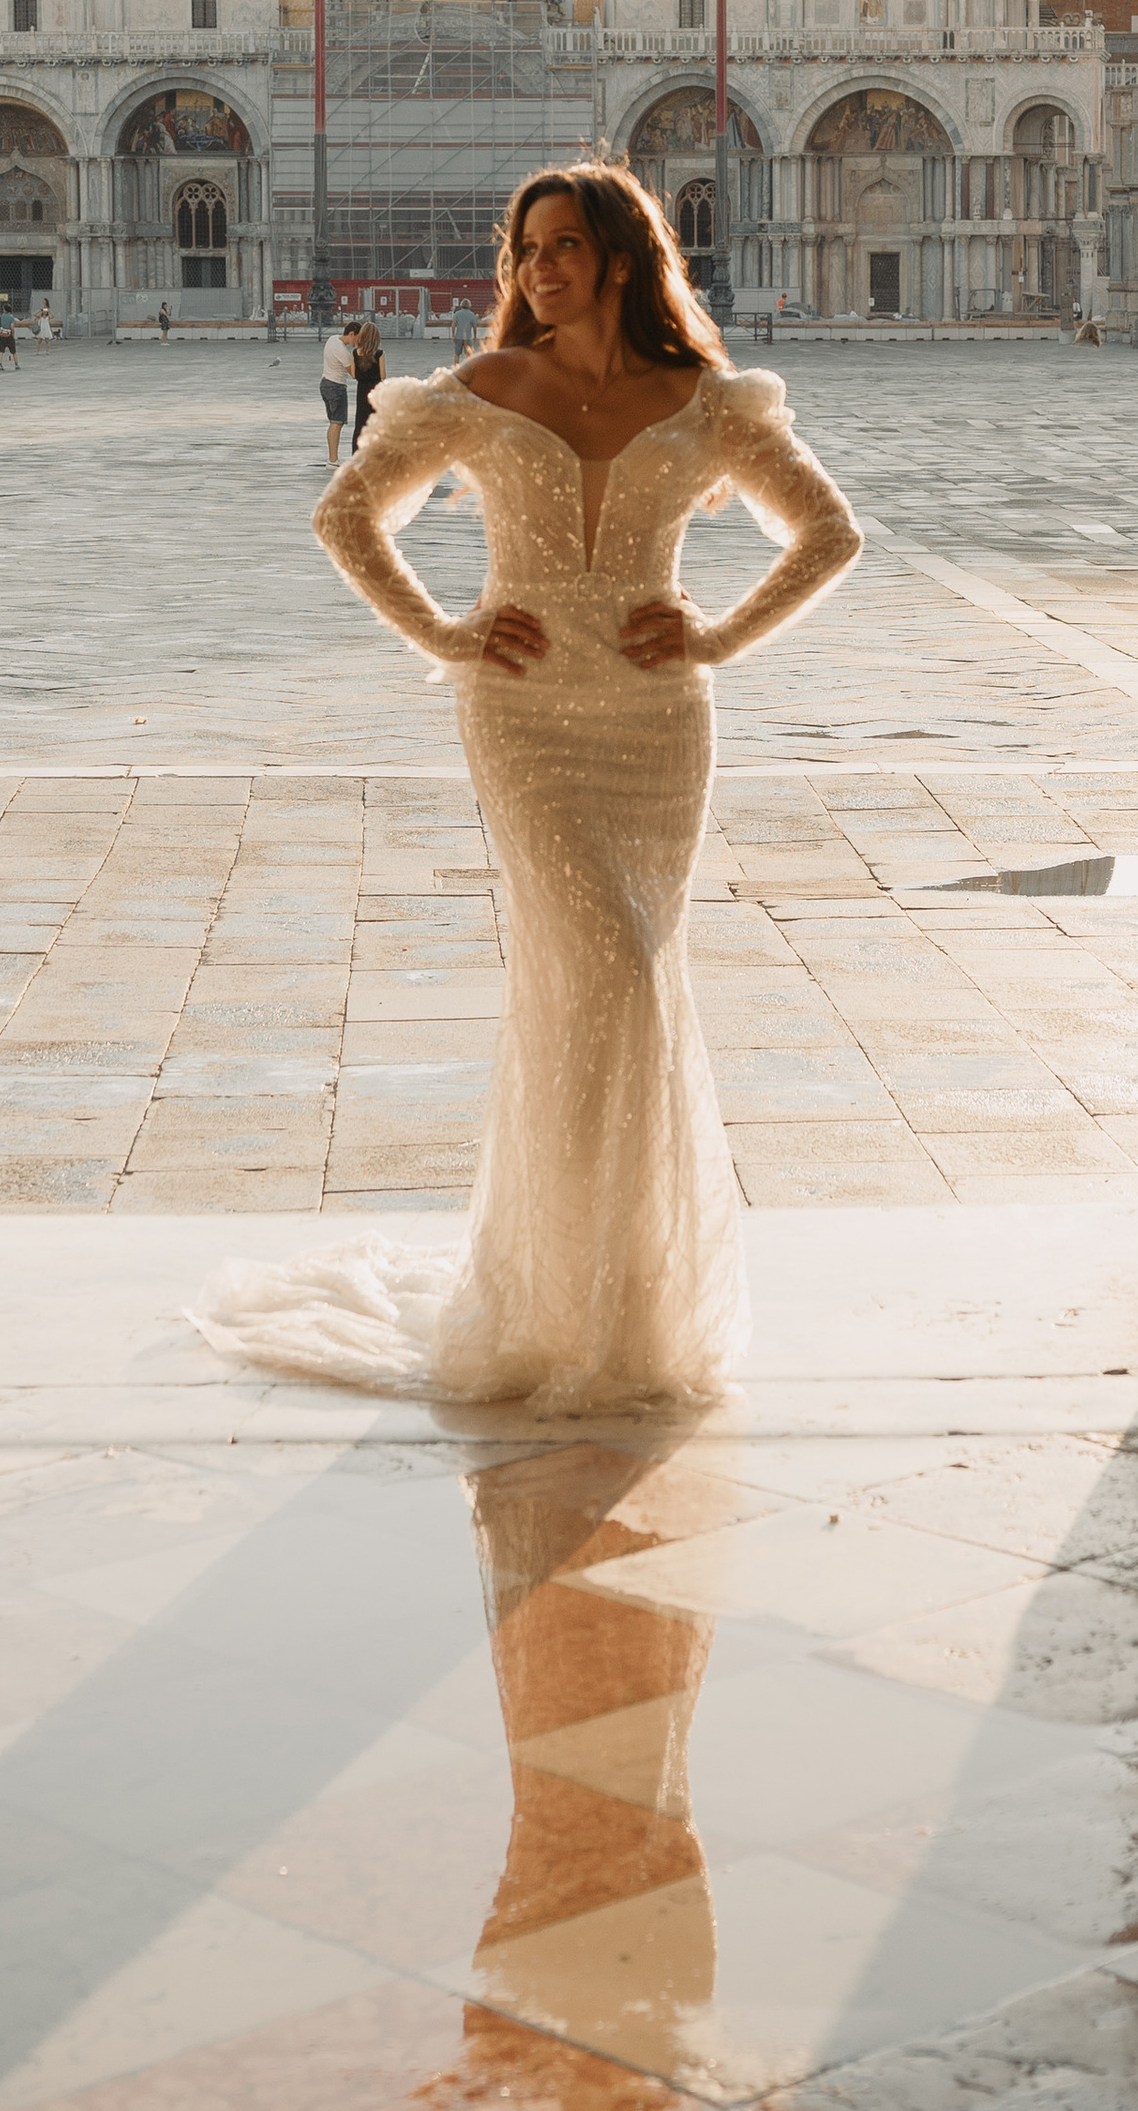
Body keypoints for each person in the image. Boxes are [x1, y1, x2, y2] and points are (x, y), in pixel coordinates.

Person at [193, 161, 861, 1414]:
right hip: (524, 711)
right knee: (599, 963)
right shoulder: (484, 390)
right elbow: (347, 516)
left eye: (558, 247)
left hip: (658, 723)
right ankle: (552, 1302)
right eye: (523, 251)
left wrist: (716, 637)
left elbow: (829, 533)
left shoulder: (704, 399)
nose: (533, 270)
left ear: (618, 256)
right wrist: (446, 633)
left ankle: (626, 1304)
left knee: (626, 988)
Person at [318, 315, 356, 467]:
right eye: (357, 339)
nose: (357, 343)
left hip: (325, 383)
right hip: (336, 386)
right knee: (337, 423)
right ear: (351, 334)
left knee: (333, 422)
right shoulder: (343, 352)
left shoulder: (332, 339)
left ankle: (332, 458)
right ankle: (333, 460)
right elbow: (353, 373)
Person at [350, 314, 384, 445]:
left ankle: (357, 451)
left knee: (360, 422)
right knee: (376, 421)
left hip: (361, 390)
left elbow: (353, 375)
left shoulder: (355, 353)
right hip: (376, 389)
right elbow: (383, 375)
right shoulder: (379, 354)